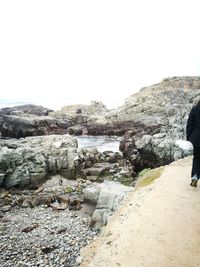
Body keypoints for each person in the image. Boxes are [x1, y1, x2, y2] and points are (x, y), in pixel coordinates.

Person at [186, 101, 200, 187]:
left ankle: (195, 175)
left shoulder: (195, 109)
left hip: (196, 139)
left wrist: (189, 139)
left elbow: (189, 125)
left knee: (197, 158)